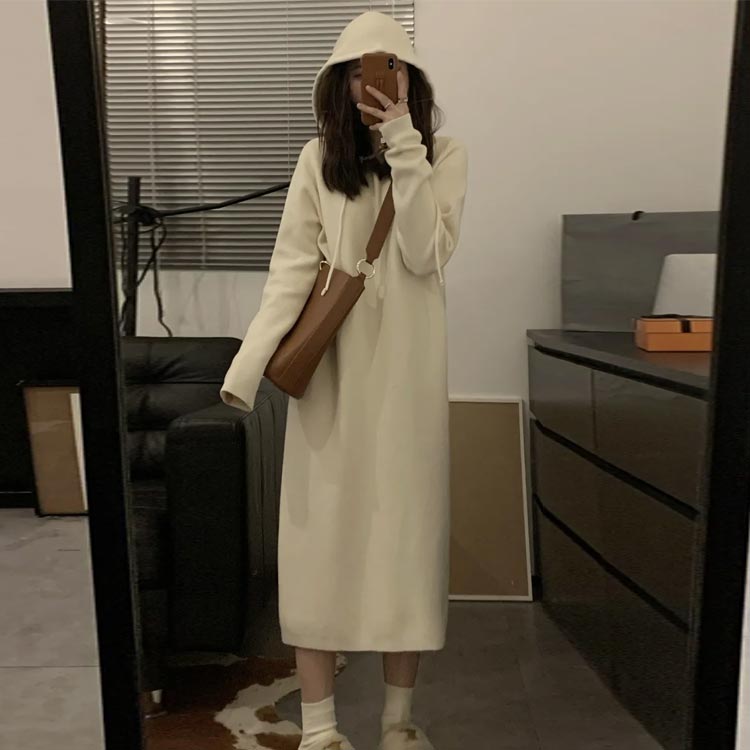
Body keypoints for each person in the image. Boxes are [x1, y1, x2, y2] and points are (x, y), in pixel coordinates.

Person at [220, 10, 469, 750]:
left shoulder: (445, 154)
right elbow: (292, 268)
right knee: (317, 544)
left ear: (411, 79)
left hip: (408, 381)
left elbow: (425, 253)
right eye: (357, 71)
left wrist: (405, 145)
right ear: (338, 84)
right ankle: (322, 730)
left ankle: (398, 724)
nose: (372, 82)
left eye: (387, 68)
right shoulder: (316, 160)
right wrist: (247, 368)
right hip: (332, 379)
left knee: (407, 543)